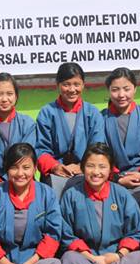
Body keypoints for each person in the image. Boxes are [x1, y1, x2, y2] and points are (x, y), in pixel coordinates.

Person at [35, 63, 105, 197]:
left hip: (87, 172)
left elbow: (98, 148)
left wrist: (82, 166)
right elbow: (40, 150)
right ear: (58, 85)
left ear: (83, 85)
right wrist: (55, 167)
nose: (72, 89)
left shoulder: (92, 113)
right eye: (66, 84)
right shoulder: (47, 113)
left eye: (76, 84)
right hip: (55, 174)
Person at [101, 67, 140, 204]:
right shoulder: (101, 119)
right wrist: (117, 178)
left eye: (126, 89)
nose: (121, 95)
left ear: (135, 89)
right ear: (108, 91)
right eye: (115, 89)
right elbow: (99, 156)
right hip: (111, 180)